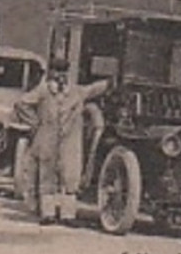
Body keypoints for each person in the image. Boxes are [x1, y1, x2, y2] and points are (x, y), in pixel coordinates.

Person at [14, 61, 110, 225]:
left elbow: (94, 89)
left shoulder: (76, 91)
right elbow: (22, 103)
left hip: (70, 141)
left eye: (64, 71)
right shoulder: (43, 90)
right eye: (57, 71)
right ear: (51, 72)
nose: (60, 75)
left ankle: (68, 215)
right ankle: (48, 214)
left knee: (70, 176)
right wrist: (35, 123)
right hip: (47, 138)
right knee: (46, 176)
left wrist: (110, 82)